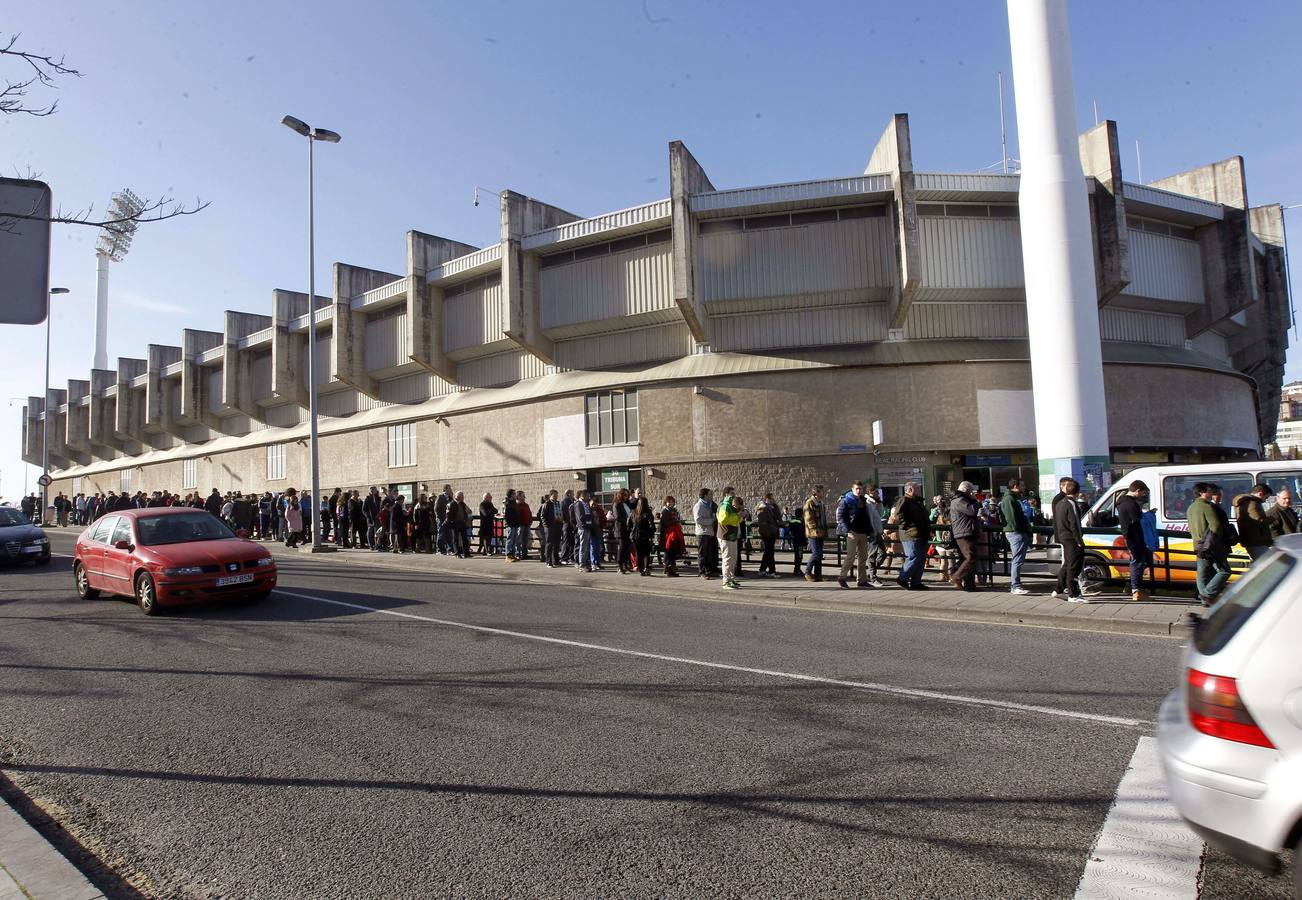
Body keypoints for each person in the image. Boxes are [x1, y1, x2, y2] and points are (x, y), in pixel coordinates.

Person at [1189, 482, 1231, 606]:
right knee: (1224, 571)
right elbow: (1216, 525)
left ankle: (1205, 599)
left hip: (1198, 544)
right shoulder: (1207, 507)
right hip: (1211, 544)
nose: (1211, 493)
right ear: (1201, 492)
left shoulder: (1191, 507)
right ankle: (1207, 595)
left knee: (1203, 572)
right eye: (1209, 491)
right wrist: (1219, 538)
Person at [836, 481, 883, 590]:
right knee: (851, 556)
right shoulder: (846, 500)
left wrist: (870, 530)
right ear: (852, 489)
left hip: (863, 532)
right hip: (852, 532)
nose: (858, 490)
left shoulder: (863, 500)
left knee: (863, 557)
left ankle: (862, 580)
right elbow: (840, 517)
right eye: (857, 488)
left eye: (860, 489)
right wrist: (847, 530)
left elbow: (867, 516)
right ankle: (842, 578)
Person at [1051, 478, 1088, 602]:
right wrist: (1079, 540)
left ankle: (1058, 589)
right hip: (1072, 538)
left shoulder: (1060, 503)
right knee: (1074, 566)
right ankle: (1073, 594)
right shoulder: (1072, 504)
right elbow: (1074, 523)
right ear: (1077, 492)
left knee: (1067, 564)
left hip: (1063, 536)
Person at [1116, 480, 1153, 602]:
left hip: (1129, 537)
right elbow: (1137, 521)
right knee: (1138, 562)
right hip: (1135, 538)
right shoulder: (1131, 504)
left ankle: (1132, 586)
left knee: (1137, 562)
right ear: (1137, 490)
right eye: (1142, 493)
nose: (1143, 495)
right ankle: (1136, 590)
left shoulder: (1122, 502)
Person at [890, 481, 931, 591]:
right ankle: (902, 578)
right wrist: (908, 526)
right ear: (910, 490)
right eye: (917, 488)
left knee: (921, 559)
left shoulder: (917, 501)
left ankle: (916, 582)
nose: (919, 490)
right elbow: (898, 515)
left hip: (920, 534)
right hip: (910, 534)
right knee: (913, 557)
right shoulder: (905, 500)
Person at [1000, 479, 1033, 595]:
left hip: (1017, 532)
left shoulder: (1013, 498)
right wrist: (1019, 530)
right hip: (1016, 532)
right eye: (1022, 485)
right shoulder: (1010, 499)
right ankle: (1015, 585)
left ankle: (1016, 584)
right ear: (1015, 486)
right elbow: (1011, 517)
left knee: (1018, 559)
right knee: (1017, 559)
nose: (1024, 487)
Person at [948, 482, 981, 592]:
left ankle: (969, 585)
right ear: (967, 490)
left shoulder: (961, 499)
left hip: (965, 531)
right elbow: (972, 511)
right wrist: (974, 500)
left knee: (966, 559)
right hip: (964, 533)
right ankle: (955, 576)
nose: (973, 493)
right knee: (971, 557)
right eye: (971, 490)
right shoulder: (960, 500)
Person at [1233, 483, 1274, 561]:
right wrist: (1271, 518)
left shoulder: (1246, 502)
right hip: (1256, 540)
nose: (1265, 500)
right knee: (1265, 562)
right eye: (1266, 497)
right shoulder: (1252, 503)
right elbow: (1258, 521)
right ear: (1260, 494)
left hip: (1252, 540)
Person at [716, 486, 743, 590]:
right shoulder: (724, 505)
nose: (734, 495)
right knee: (727, 559)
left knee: (733, 559)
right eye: (732, 493)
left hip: (732, 535)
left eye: (734, 493)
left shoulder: (730, 506)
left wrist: (740, 516)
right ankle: (726, 581)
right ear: (726, 494)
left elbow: (736, 521)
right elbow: (723, 520)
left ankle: (731, 579)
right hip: (725, 535)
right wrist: (738, 516)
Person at [802, 485, 827, 582]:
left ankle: (818, 574)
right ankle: (807, 572)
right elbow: (809, 519)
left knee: (820, 554)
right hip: (813, 533)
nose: (823, 493)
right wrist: (815, 529)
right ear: (816, 493)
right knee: (816, 553)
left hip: (821, 531)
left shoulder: (821, 503)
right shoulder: (810, 503)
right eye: (821, 491)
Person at [692, 488, 718, 579]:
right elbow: (698, 519)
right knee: (702, 553)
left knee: (709, 553)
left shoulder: (710, 505)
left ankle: (708, 570)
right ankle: (702, 571)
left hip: (710, 532)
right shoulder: (698, 506)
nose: (712, 496)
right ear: (705, 495)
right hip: (702, 532)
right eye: (710, 494)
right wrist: (711, 520)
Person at [629, 488, 656, 575]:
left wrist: (632, 530)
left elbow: (628, 523)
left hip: (635, 535)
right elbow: (651, 525)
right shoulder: (648, 513)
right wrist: (652, 532)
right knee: (646, 553)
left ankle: (640, 569)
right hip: (645, 535)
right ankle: (646, 568)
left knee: (638, 552)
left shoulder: (633, 512)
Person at [755, 493, 780, 577]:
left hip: (772, 532)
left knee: (768, 552)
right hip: (767, 533)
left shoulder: (771, 508)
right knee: (769, 552)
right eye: (770, 499)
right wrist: (767, 533)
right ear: (766, 499)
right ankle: (771, 571)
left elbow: (778, 517)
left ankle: (763, 570)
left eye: (773, 499)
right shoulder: (763, 508)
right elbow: (762, 523)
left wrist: (775, 506)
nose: (772, 500)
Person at [658, 496, 685, 576]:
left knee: (670, 552)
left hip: (672, 534)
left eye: (672, 502)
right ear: (665, 503)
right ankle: (669, 570)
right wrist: (675, 521)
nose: (671, 503)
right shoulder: (665, 511)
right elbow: (666, 523)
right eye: (669, 502)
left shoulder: (673, 510)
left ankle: (669, 568)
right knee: (669, 552)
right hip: (668, 535)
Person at [541, 489, 562, 568]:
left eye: (557, 495)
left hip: (558, 524)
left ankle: (556, 560)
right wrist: (546, 525)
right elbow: (542, 515)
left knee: (557, 544)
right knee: (549, 544)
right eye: (554, 496)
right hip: (550, 526)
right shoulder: (547, 504)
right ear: (550, 496)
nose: (556, 497)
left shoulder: (558, 503)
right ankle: (548, 561)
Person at [515, 492, 534, 560]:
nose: (524, 498)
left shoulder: (526, 505)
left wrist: (530, 521)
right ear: (518, 497)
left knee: (525, 540)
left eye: (524, 496)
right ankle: (518, 553)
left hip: (527, 524)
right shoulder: (516, 505)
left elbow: (529, 513)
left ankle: (524, 554)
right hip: (520, 525)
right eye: (522, 496)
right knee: (518, 540)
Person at [503, 489, 519, 560]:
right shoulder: (507, 503)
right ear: (511, 495)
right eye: (514, 494)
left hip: (515, 523)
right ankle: (508, 555)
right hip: (510, 524)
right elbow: (506, 515)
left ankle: (513, 554)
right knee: (510, 539)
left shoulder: (514, 503)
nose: (516, 495)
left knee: (514, 540)